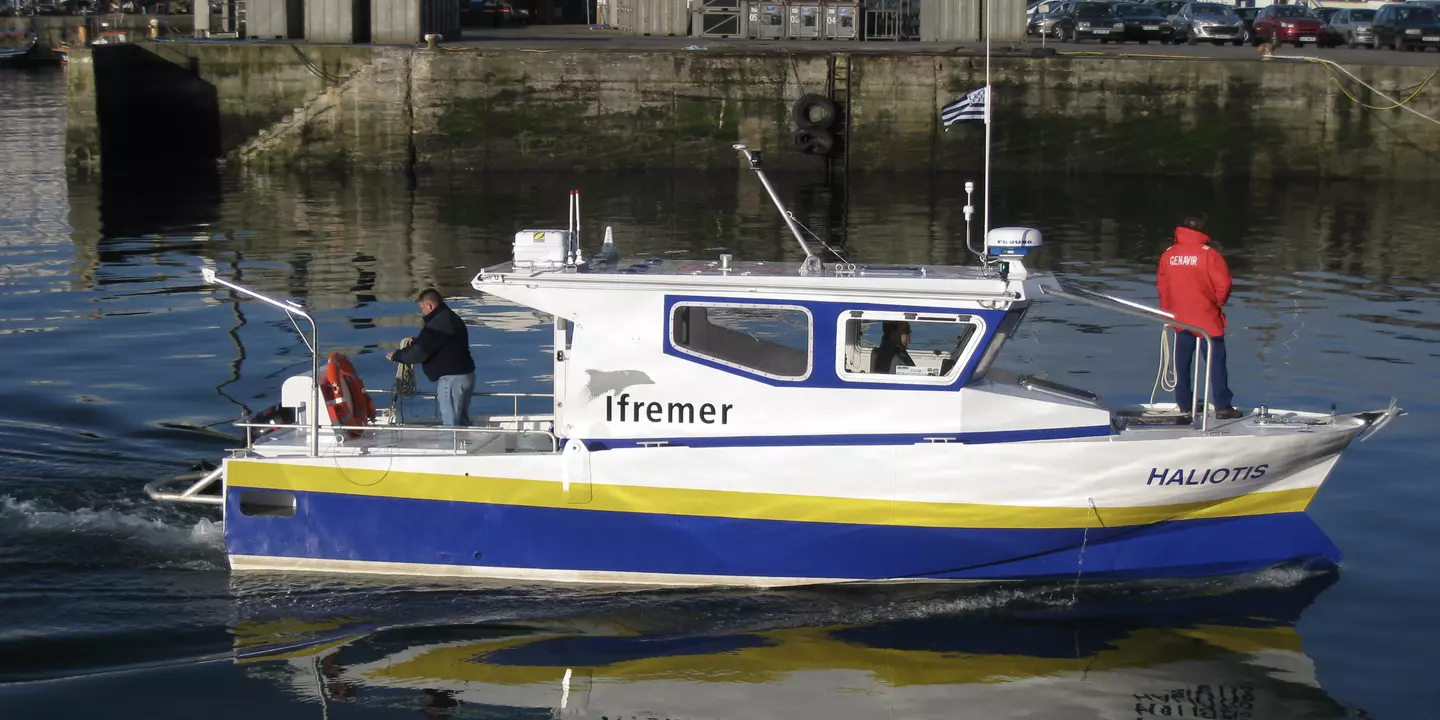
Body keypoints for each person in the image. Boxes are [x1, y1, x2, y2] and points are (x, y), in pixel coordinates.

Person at [1158, 217, 1242, 420]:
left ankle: (1185, 404)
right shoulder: (1209, 255)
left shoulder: (1169, 254)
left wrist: (1170, 310)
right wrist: (1217, 303)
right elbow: (1223, 285)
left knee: (1182, 363)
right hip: (1206, 316)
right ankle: (1222, 406)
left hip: (1180, 317)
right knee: (1216, 362)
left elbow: (1163, 285)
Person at [387, 288, 477, 427]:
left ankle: (451, 447)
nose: (422, 312)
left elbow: (419, 353)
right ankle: (467, 445)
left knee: (450, 424)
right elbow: (435, 343)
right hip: (466, 376)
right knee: (462, 421)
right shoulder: (449, 318)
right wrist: (417, 342)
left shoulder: (437, 324)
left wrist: (397, 356)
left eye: (422, 308)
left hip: (451, 380)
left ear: (429, 306)